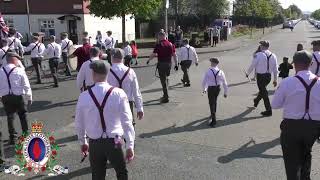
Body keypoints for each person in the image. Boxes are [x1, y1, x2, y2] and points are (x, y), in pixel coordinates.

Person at [75, 60, 135, 180]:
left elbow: (79, 123)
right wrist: (130, 145)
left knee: (97, 175)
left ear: (93, 74)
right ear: (107, 74)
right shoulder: (119, 93)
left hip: (94, 142)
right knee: (122, 172)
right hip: (116, 141)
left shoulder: (84, 96)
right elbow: (127, 121)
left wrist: (83, 142)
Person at [272, 50, 320, 180]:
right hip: (313, 127)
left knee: (291, 162)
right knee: (306, 153)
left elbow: (275, 105)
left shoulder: (287, 82)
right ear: (311, 63)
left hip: (291, 127)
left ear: (295, 63)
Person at [0, 52, 32, 144]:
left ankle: (13, 138)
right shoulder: (20, 70)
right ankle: (26, 135)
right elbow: (26, 85)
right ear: (13, 59)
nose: (18, 61)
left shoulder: (1, 70)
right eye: (17, 59)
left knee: (10, 116)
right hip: (18, 96)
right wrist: (29, 97)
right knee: (23, 115)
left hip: (6, 97)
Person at [107, 48, 144, 127]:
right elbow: (136, 92)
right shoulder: (130, 71)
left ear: (111, 57)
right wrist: (139, 109)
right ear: (123, 58)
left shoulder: (107, 72)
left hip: (111, 104)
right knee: (129, 126)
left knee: (114, 128)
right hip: (127, 103)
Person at [246, 41, 278, 116]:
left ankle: (269, 110)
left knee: (264, 93)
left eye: (261, 45)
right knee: (263, 90)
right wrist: (275, 79)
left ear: (263, 46)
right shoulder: (273, 55)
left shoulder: (258, 55)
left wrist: (247, 73)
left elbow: (252, 65)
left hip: (260, 77)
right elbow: (275, 69)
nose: (260, 46)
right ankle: (256, 100)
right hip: (268, 77)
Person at [147, 31, 178, 103]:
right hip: (169, 64)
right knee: (166, 78)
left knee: (163, 81)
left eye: (158, 37)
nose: (157, 38)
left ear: (160, 36)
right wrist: (176, 64)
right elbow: (174, 55)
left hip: (162, 64)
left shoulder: (158, 44)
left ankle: (166, 97)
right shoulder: (171, 44)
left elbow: (154, 54)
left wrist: (148, 60)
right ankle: (166, 92)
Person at [202, 58, 228, 127]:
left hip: (211, 89)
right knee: (215, 101)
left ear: (214, 63)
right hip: (218, 88)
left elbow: (204, 81)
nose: (210, 63)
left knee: (211, 103)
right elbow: (225, 82)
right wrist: (225, 92)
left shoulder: (208, 71)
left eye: (211, 62)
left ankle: (214, 120)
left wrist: (204, 89)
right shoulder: (221, 71)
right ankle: (214, 112)